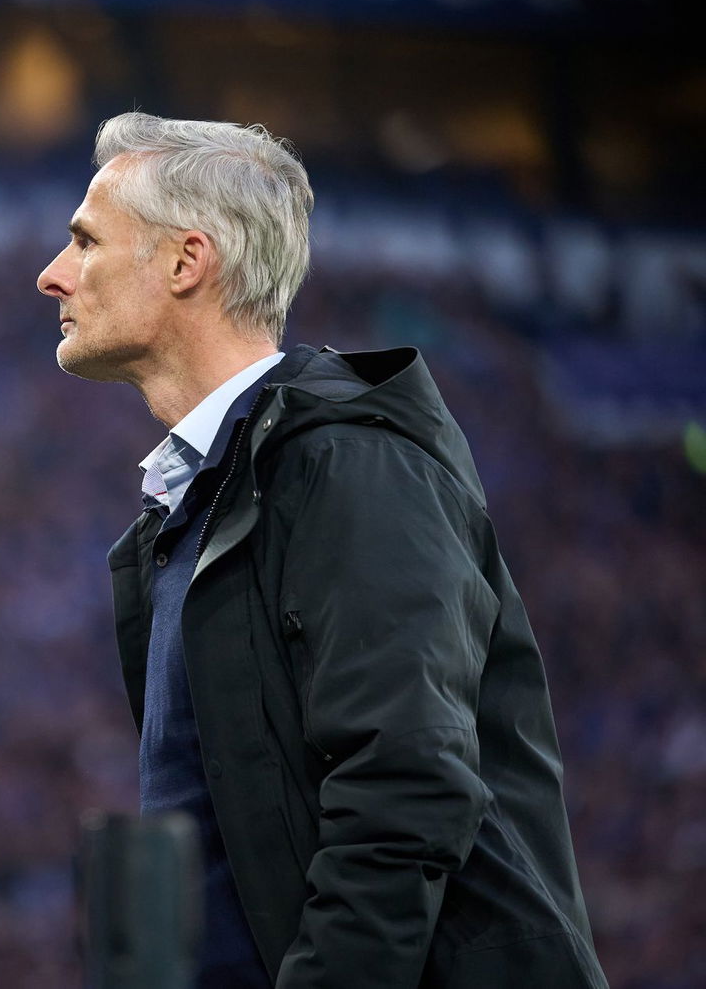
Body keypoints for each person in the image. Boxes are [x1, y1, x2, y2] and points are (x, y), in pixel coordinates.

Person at [37, 113, 606, 987]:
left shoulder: (347, 463)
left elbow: (406, 787)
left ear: (187, 263)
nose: (53, 275)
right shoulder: (199, 506)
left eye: (84, 241)